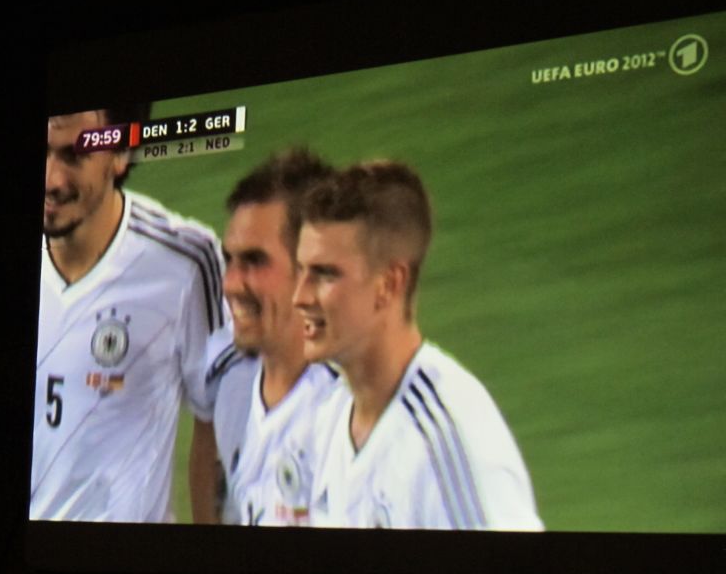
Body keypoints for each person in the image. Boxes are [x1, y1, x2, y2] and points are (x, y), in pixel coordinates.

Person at [294, 161, 543, 530]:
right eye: (300, 270)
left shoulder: (446, 443)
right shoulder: (329, 415)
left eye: (325, 274)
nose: (299, 297)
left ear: (389, 285)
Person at [31, 107, 228, 522]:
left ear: (120, 155)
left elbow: (218, 418)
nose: (52, 180)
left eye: (74, 155)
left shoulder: (182, 261)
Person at [211, 148, 339, 525]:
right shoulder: (232, 390)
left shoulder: (352, 414)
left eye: (254, 261)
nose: (230, 285)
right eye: (229, 260)